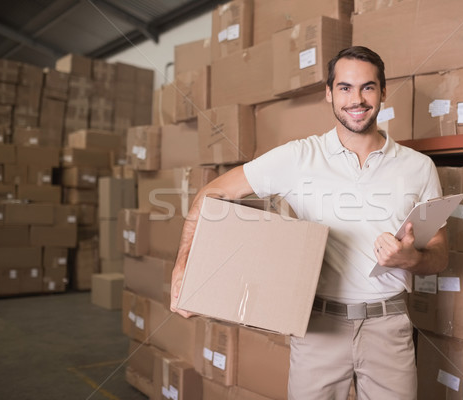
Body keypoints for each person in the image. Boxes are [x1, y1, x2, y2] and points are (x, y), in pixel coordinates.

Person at [170, 46, 448, 399]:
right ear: (329, 93)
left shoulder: (418, 167)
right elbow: (212, 194)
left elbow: (440, 252)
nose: (357, 99)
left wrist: (414, 260)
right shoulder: (299, 157)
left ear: (382, 91)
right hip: (318, 326)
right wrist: (183, 268)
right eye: (345, 88)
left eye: (368, 87)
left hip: (389, 324)